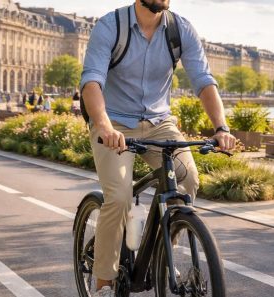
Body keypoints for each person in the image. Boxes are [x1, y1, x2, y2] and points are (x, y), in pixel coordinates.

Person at [80, 1, 235, 295]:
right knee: (120, 196)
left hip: (159, 122)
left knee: (187, 180)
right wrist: (104, 125)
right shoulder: (110, 26)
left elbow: (203, 81)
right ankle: (103, 279)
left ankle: (163, 255)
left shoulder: (180, 29)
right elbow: (92, 82)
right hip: (114, 124)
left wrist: (221, 127)